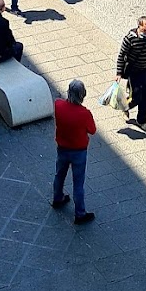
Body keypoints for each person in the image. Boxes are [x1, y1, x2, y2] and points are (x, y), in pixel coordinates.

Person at [51, 79, 96, 223]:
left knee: (59, 174)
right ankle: (80, 213)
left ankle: (57, 198)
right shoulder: (85, 113)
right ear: (82, 95)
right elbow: (92, 130)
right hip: (78, 151)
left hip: (62, 148)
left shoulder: (58, 105)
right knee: (78, 183)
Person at [116, 15, 146, 134]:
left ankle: (141, 121)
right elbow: (121, 55)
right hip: (133, 71)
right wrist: (119, 73)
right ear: (139, 26)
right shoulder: (129, 39)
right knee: (136, 97)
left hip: (145, 70)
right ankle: (124, 107)